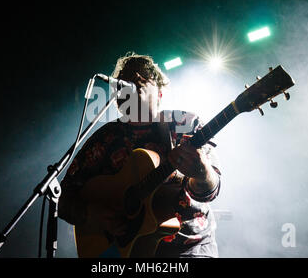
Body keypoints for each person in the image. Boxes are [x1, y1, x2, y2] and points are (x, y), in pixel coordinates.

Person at [58, 52, 222, 257]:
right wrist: (92, 214)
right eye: (127, 78)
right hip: (123, 251)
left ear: (160, 92)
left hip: (189, 248)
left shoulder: (185, 124)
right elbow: (63, 196)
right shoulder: (105, 138)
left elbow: (210, 190)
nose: (136, 78)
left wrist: (202, 172)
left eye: (145, 75)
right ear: (118, 97)